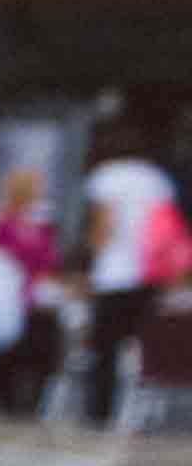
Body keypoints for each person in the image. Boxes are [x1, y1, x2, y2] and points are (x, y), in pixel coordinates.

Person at [74, 130, 182, 428]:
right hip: (150, 273)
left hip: (115, 273)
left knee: (104, 346)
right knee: (139, 345)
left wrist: (90, 259)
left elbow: (103, 225)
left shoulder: (107, 176)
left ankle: (99, 413)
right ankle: (137, 412)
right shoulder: (156, 179)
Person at [0, 171, 61, 422]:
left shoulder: (42, 220)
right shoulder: (3, 218)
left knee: (34, 350)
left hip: (33, 295)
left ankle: (24, 404)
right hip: (7, 294)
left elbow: (48, 257)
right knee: (2, 349)